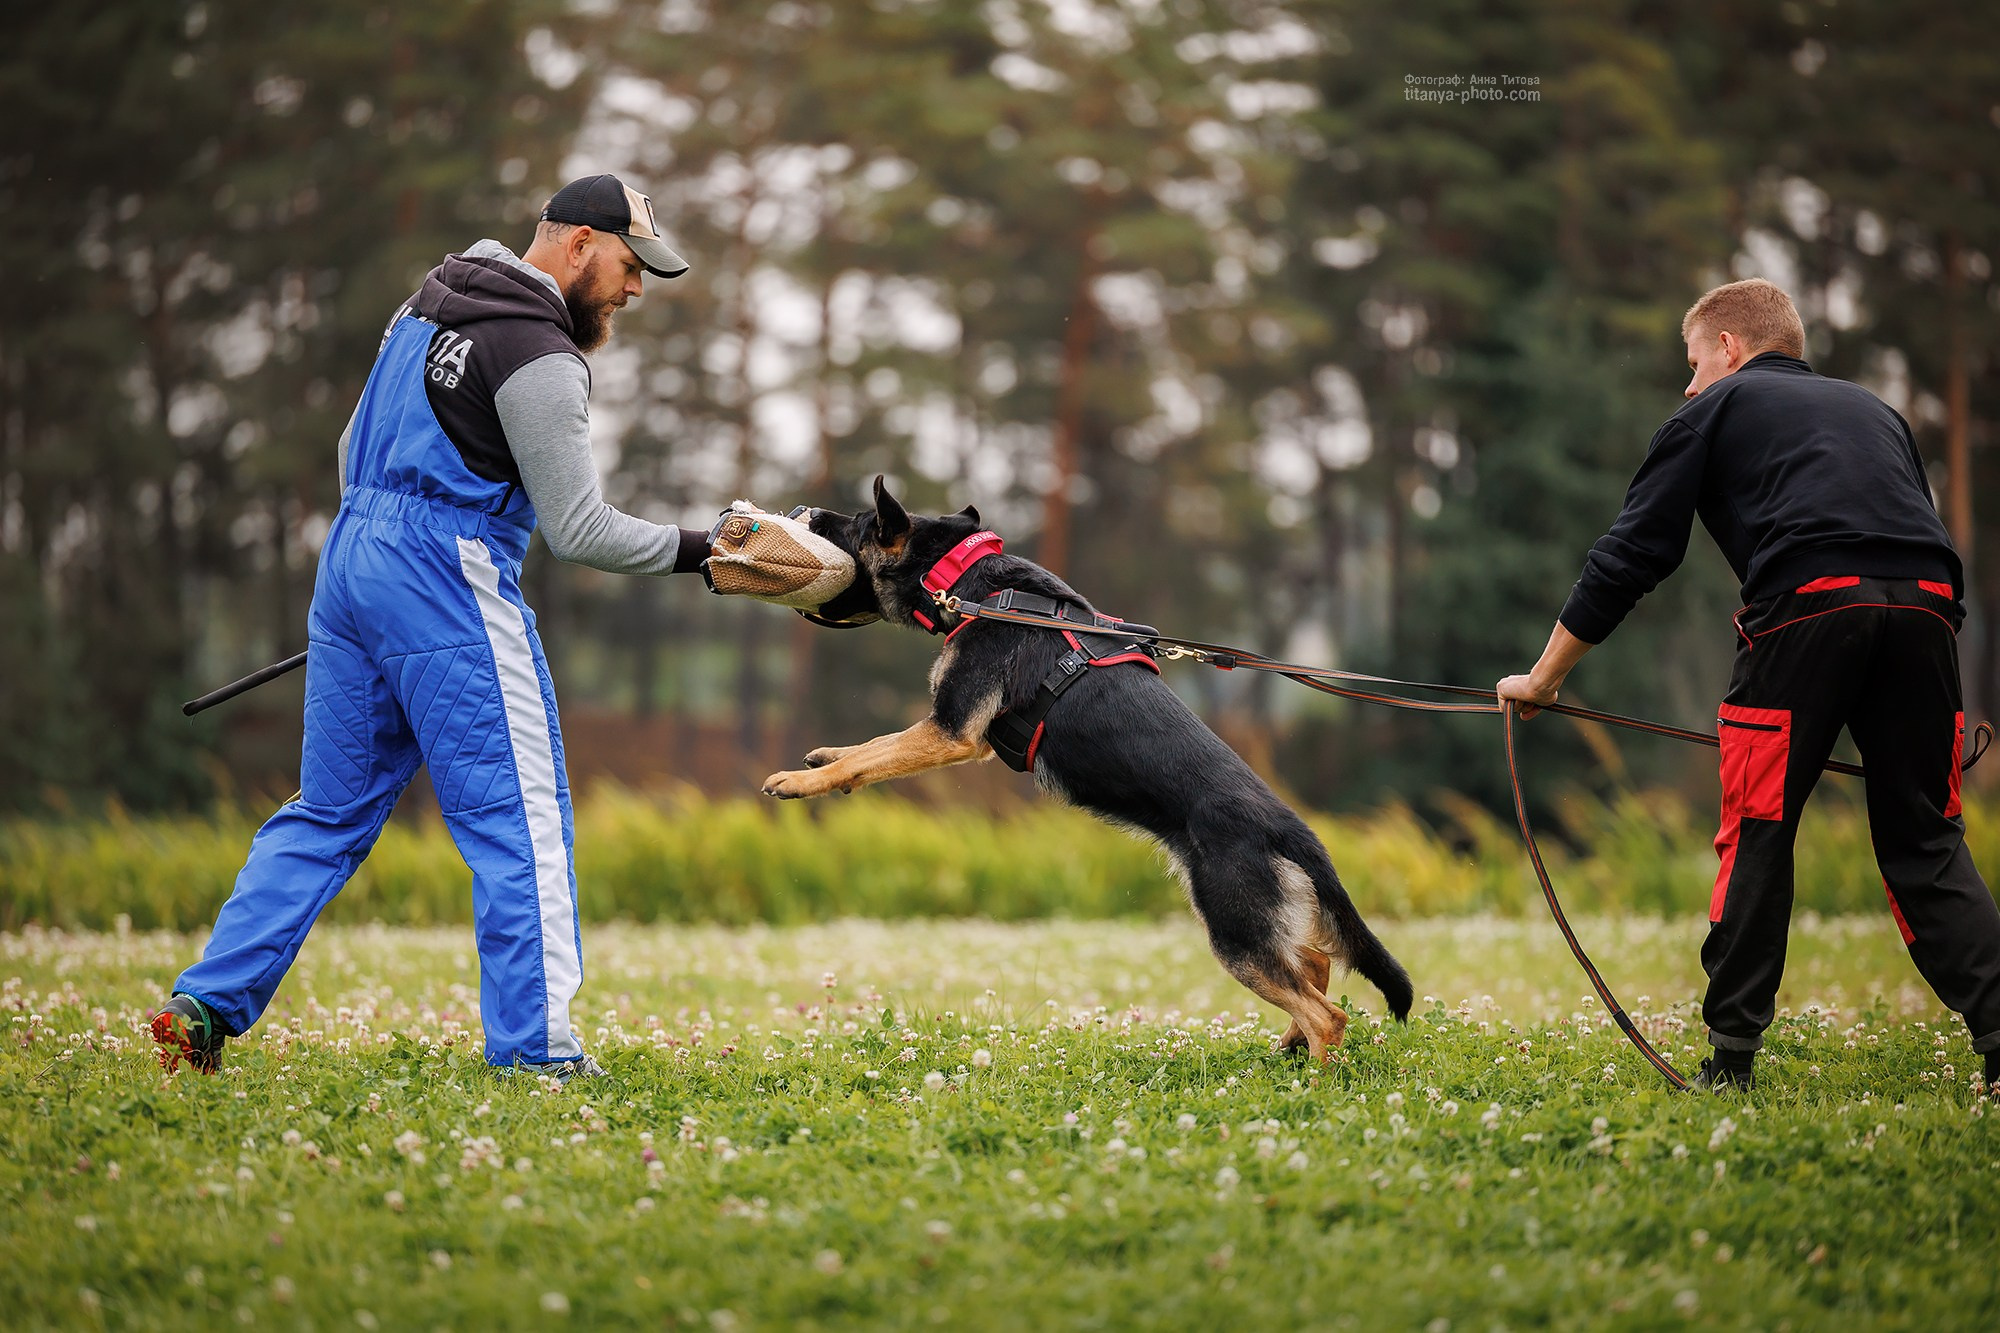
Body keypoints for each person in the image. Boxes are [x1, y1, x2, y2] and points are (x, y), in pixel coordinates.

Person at [152, 175, 713, 1083]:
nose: (635, 288)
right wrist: (707, 554)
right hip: (447, 579)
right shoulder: (540, 351)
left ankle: (205, 1005)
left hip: (352, 565)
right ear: (577, 245)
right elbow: (580, 530)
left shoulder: (431, 299)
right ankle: (541, 1058)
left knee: (326, 811)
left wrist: (378, 587)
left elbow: (348, 453)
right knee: (521, 823)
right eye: (627, 263)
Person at [1498, 278, 2000, 1095]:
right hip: (1929, 611)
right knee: (1927, 836)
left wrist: (1545, 678)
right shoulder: (1880, 413)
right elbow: (1917, 531)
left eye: (1694, 362)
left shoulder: (1709, 412)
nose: (1688, 384)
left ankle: (1730, 1062)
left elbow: (1632, 553)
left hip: (1804, 608)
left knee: (1759, 829)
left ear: (1729, 348)